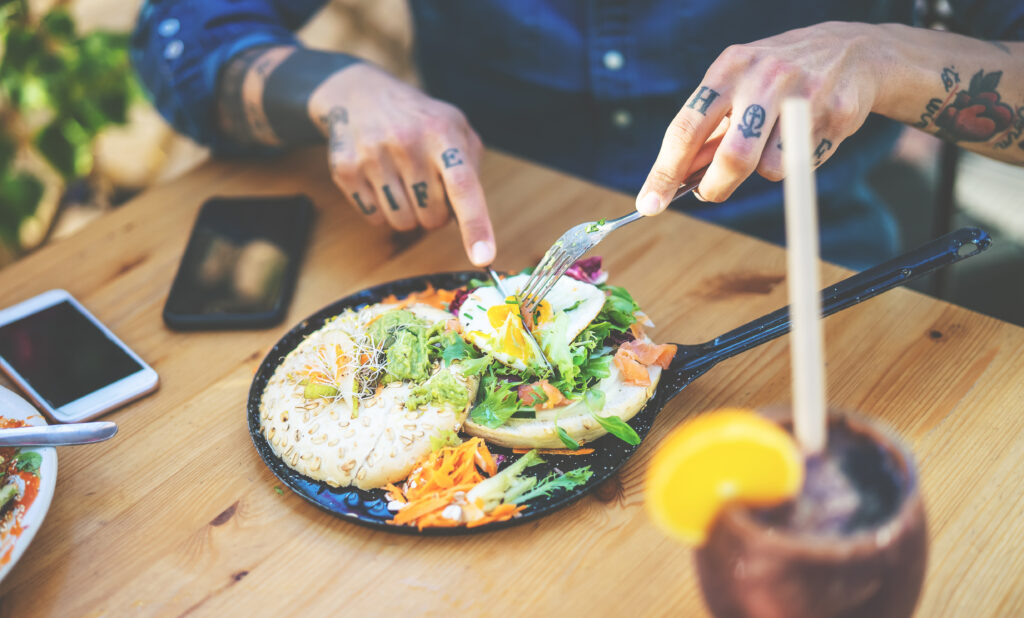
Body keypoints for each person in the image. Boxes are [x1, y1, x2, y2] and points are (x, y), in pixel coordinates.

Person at [133, 2, 1024, 270]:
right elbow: (179, 32)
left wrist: (889, 57)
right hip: (483, 282)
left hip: (814, 289)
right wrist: (333, 87)